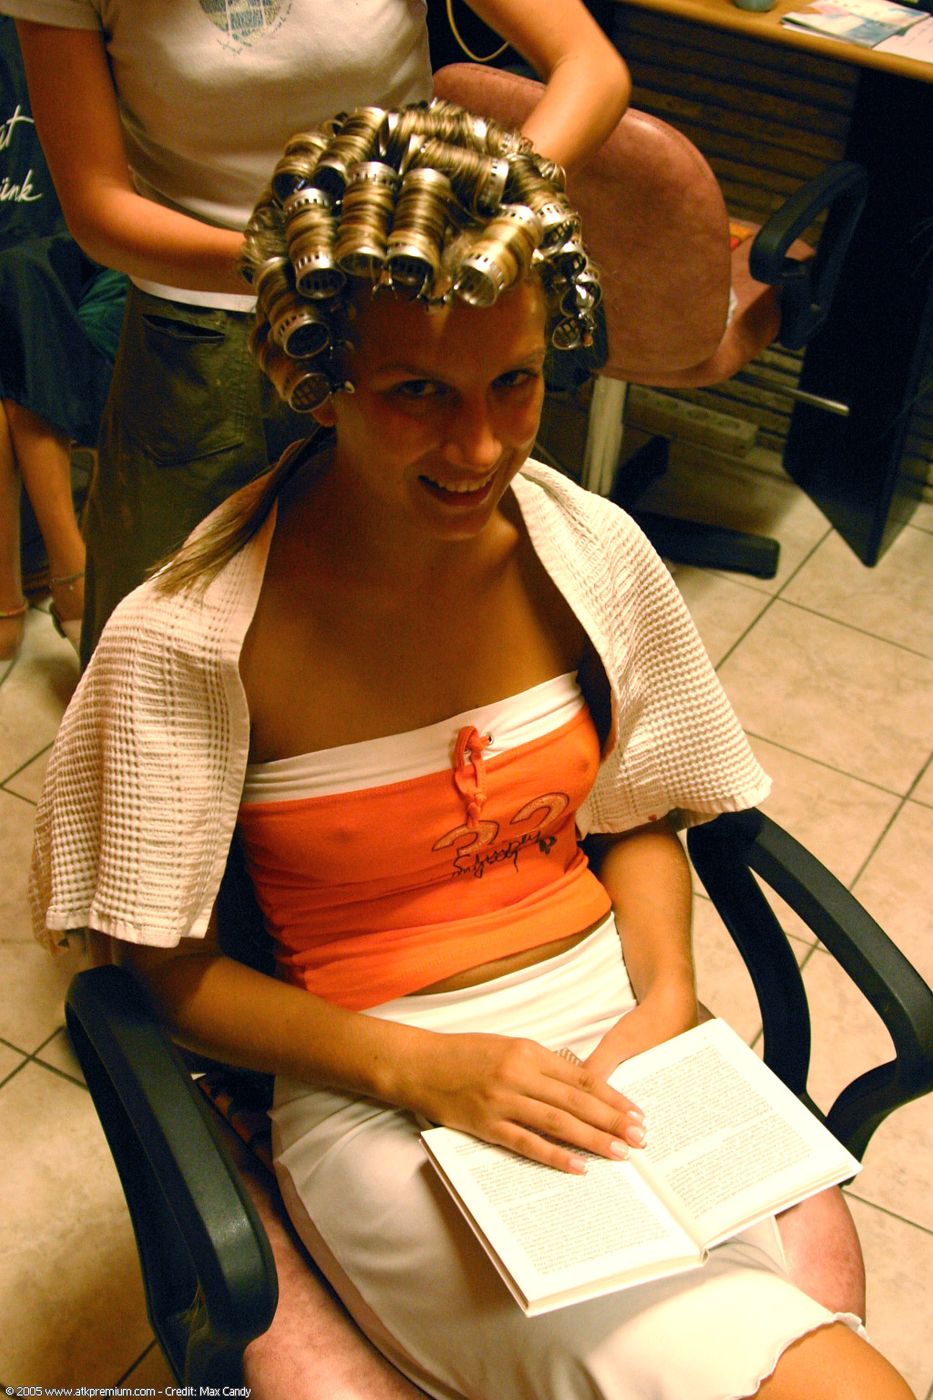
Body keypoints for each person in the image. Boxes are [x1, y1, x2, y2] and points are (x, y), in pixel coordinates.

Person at [31, 103, 913, 1399]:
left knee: (773, 1344)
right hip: (381, 1086)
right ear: (318, 379)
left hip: (619, 1036)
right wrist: (429, 1069)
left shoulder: (587, 556)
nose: (482, 446)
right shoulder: (194, 636)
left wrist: (664, 998)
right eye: (418, 394)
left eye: (515, 382)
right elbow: (164, 973)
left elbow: (638, 811)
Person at [4, 0, 630, 665]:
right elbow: (97, 206)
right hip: (194, 341)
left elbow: (590, 67)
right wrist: (306, 266)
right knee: (158, 646)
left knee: (412, 639)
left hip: (408, 323)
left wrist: (473, 213)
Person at [0, 14, 125, 661]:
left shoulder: (53, 25)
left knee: (19, 277)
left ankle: (17, 588)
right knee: (15, 284)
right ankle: (70, 572)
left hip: (77, 266)